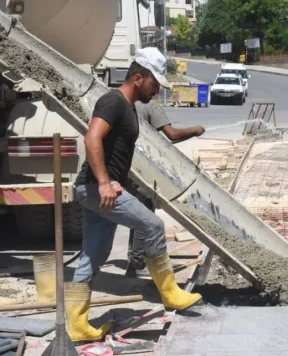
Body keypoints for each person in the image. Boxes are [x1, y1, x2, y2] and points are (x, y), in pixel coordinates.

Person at [67, 47, 202, 343]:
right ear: (138, 77)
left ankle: (77, 325)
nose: (157, 91)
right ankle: (169, 292)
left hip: (105, 190)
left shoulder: (128, 107)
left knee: (94, 254)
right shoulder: (112, 101)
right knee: (152, 225)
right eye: (155, 85)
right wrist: (103, 182)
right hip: (96, 188)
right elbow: (92, 138)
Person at [125, 100, 205, 278]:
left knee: (139, 214)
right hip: (142, 167)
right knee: (144, 215)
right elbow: (173, 134)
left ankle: (136, 258)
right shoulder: (150, 105)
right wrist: (195, 130)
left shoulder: (125, 101)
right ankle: (136, 264)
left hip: (128, 166)